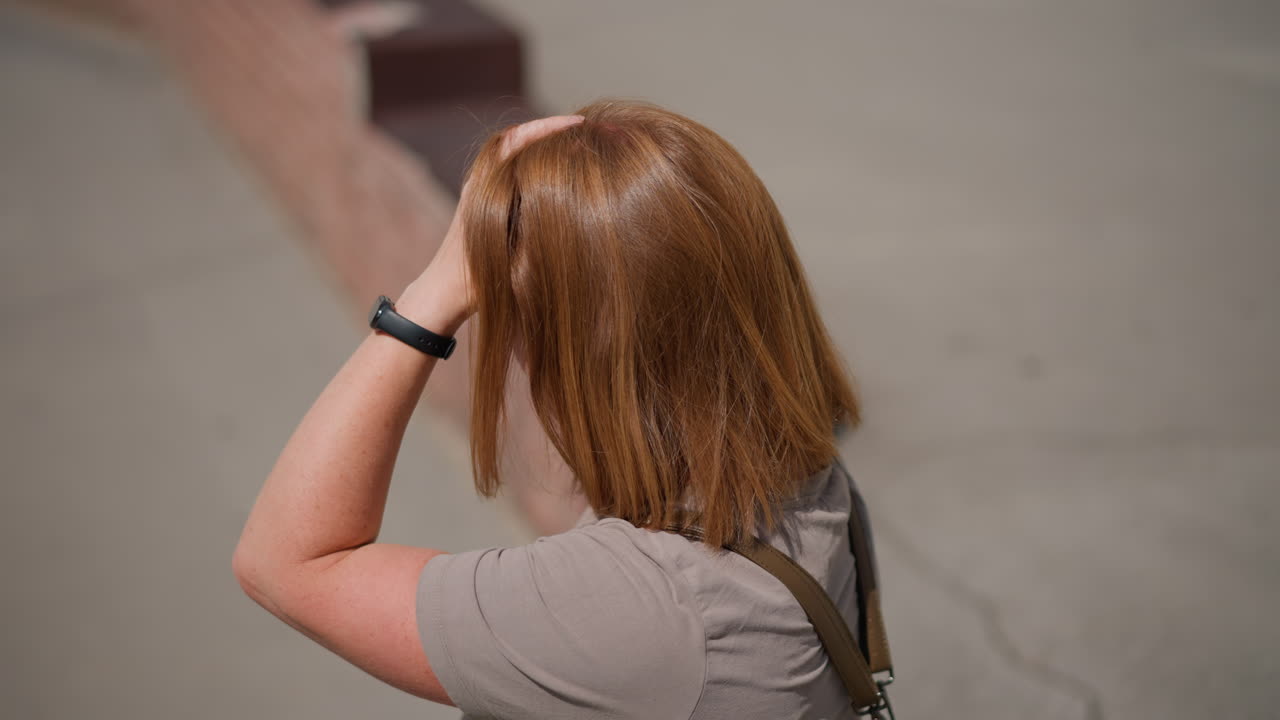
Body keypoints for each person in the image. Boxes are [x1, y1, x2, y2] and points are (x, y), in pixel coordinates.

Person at [233, 98, 869, 719]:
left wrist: (431, 295)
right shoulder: (813, 485)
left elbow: (288, 563)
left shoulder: (636, 613)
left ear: (583, 358)